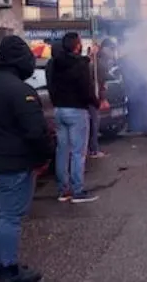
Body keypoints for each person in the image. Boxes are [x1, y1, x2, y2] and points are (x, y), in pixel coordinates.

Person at [0, 35, 51, 282]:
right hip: (13, 164)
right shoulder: (20, 91)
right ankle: (8, 269)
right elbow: (35, 131)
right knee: (10, 217)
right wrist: (44, 156)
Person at [46, 32, 101, 203]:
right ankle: (78, 191)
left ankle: (64, 190)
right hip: (77, 111)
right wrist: (96, 102)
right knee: (78, 152)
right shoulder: (80, 65)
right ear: (77, 45)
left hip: (59, 110)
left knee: (62, 151)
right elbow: (86, 88)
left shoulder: (53, 64)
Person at [88, 38, 117, 158]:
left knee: (93, 123)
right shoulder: (99, 63)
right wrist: (103, 98)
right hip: (93, 98)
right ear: (104, 49)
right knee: (94, 123)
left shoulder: (99, 60)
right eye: (111, 49)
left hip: (90, 97)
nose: (113, 52)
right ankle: (94, 150)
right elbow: (101, 82)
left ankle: (91, 148)